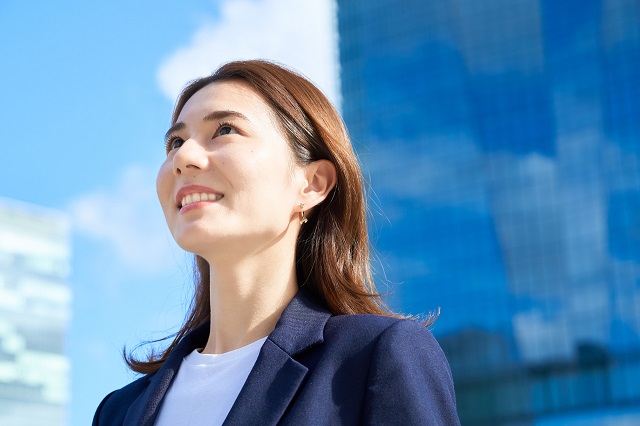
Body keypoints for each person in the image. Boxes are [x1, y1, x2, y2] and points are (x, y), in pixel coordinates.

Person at [92, 59, 460, 425]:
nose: (183, 157)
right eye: (175, 141)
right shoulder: (118, 412)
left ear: (312, 183)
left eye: (224, 129)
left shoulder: (375, 357)